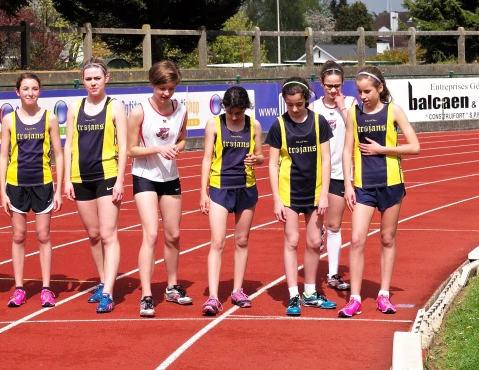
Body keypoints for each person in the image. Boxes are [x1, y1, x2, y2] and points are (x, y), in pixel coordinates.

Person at [338, 67, 420, 317]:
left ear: (380, 88)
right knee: (356, 240)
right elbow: (346, 149)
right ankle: (354, 298)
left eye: (367, 91)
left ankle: (383, 295)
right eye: (359, 92)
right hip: (363, 186)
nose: (362, 96)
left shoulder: (393, 111)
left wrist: (382, 149)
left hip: (391, 183)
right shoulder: (354, 112)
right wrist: (348, 184)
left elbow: (415, 147)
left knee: (387, 239)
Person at [267, 77, 337, 317]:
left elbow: (326, 159)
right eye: (290, 105)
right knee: (292, 240)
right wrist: (276, 199)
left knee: (315, 242)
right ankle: (293, 294)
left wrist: (325, 193)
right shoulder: (279, 125)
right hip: (289, 192)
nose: (294, 109)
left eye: (298, 104)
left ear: (306, 100)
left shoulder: (319, 123)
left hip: (315, 192)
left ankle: (309, 292)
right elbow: (273, 163)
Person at [127, 60, 191, 318]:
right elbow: (131, 149)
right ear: (152, 85)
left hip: (170, 176)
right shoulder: (139, 112)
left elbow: (183, 138)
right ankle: (146, 295)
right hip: (144, 176)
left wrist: (178, 147)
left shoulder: (181, 109)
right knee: (151, 234)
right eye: (162, 88)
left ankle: (172, 287)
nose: (166, 93)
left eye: (171, 88)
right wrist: (157, 148)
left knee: (173, 235)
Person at [63, 59, 127, 313]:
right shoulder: (74, 107)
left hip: (108, 175)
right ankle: (102, 281)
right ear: (83, 80)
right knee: (93, 234)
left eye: (97, 78)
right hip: (80, 177)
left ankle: (109, 292)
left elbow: (123, 146)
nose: (93, 83)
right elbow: (68, 144)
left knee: (109, 234)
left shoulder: (115, 107)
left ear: (106, 79)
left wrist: (121, 179)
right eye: (88, 79)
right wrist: (67, 178)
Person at [0, 73, 64, 308]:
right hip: (16, 184)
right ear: (17, 92)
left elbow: (58, 154)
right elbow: (3, 158)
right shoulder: (9, 120)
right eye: (25, 89)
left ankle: (46, 288)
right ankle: (19, 288)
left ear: (40, 91)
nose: (30, 93)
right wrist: (3, 190)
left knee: (43, 235)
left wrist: (58, 190)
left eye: (34, 88)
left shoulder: (50, 119)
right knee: (18, 236)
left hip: (43, 183)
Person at [199, 86, 264, 316]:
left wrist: (255, 159)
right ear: (224, 107)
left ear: (245, 109)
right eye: (230, 111)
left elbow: (261, 156)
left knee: (242, 240)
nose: (234, 116)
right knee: (217, 242)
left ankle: (238, 290)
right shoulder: (213, 124)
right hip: (219, 187)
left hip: (246, 188)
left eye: (238, 112)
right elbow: (207, 158)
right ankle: (214, 296)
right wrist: (202, 192)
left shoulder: (253, 125)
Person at [309, 61, 356, 291]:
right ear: (321, 84)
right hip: (317, 175)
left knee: (335, 225)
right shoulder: (314, 107)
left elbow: (355, 129)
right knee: (316, 232)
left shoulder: (350, 104)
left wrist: (341, 107)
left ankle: (334, 274)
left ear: (343, 84)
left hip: (339, 173)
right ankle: (312, 275)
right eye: (328, 86)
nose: (333, 90)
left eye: (337, 85)